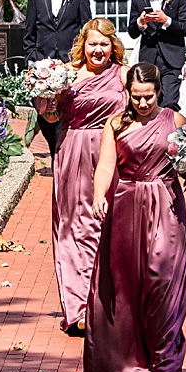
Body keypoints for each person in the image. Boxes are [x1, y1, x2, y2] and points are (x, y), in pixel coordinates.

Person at [83, 63, 186, 372]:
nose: (143, 103)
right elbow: (105, 164)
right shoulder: (115, 124)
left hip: (166, 202)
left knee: (163, 279)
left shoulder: (176, 121)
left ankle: (164, 370)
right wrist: (99, 194)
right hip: (127, 203)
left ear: (159, 91)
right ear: (127, 93)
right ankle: (131, 365)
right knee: (127, 287)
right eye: (137, 97)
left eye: (149, 96)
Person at [47, 17, 127, 337]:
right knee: (74, 228)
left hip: (111, 153)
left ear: (112, 47)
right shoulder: (66, 75)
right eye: (92, 43)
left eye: (104, 44)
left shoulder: (123, 74)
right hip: (73, 152)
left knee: (105, 225)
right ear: (83, 45)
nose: (98, 50)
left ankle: (104, 302)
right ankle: (78, 308)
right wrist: (43, 97)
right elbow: (51, 115)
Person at [23, 0, 90, 169]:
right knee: (43, 113)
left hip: (69, 66)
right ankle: (55, 151)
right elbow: (29, 35)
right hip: (42, 67)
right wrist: (33, 62)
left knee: (67, 112)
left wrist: (79, 62)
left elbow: (86, 32)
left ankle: (64, 159)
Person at [126, 0, 186, 111]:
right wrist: (140, 23)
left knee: (170, 102)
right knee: (149, 102)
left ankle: (169, 133)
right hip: (148, 57)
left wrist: (167, 21)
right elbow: (132, 32)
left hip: (172, 58)